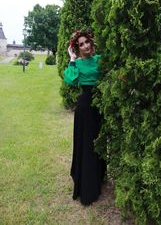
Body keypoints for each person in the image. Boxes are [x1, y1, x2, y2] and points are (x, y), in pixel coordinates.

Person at [64, 29, 106, 205]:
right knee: (86, 145)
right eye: (81, 44)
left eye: (87, 42)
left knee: (98, 143)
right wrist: (72, 59)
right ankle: (87, 188)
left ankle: (98, 178)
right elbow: (71, 80)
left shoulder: (99, 60)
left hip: (100, 105)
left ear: (91, 43)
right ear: (78, 48)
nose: (85, 46)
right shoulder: (77, 63)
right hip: (85, 107)